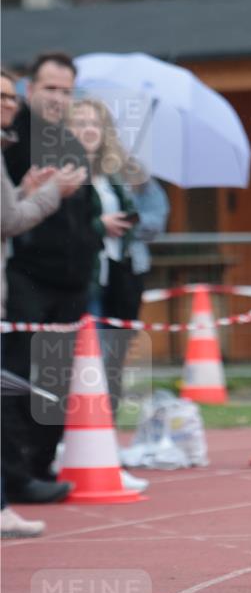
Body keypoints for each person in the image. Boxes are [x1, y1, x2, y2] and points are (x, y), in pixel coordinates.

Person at [2, 53, 100, 504]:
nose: (59, 99)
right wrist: (38, 190)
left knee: (55, 382)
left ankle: (40, 463)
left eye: (67, 91)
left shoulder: (70, 141)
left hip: (72, 282)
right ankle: (16, 473)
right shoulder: (12, 136)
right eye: (50, 89)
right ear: (30, 90)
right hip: (26, 277)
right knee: (18, 376)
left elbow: (84, 209)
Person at [67, 97, 169, 491]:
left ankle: (103, 446)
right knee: (78, 365)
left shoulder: (126, 173)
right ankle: (68, 445)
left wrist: (128, 223)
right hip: (82, 278)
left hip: (123, 276)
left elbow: (155, 218)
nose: (89, 129)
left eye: (96, 122)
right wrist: (98, 225)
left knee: (111, 364)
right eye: (81, 122)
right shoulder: (64, 171)